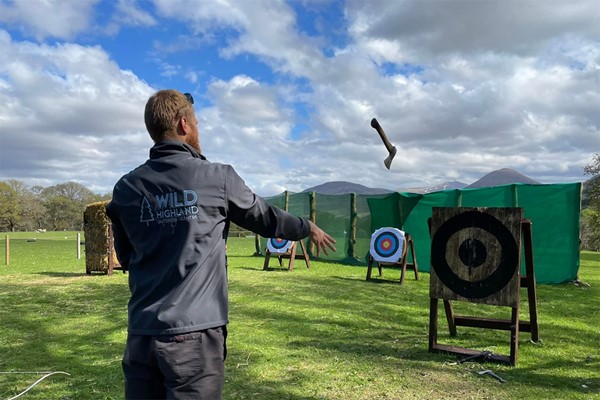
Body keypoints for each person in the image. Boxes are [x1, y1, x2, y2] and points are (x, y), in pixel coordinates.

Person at [106, 89, 336, 400]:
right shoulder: (216, 177)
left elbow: (127, 256)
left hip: (141, 335)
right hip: (194, 338)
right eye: (197, 123)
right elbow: (266, 218)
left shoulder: (125, 188)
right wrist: (306, 226)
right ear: (184, 124)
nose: (198, 129)